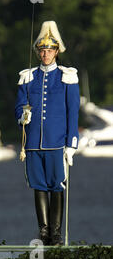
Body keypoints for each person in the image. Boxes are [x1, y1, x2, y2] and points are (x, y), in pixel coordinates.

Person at [14, 21, 80, 246]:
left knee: (56, 186)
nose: (45, 53)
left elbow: (73, 112)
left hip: (56, 142)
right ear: (38, 52)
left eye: (50, 50)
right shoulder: (28, 77)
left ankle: (56, 234)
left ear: (56, 52)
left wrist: (71, 144)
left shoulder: (67, 76)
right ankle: (43, 233)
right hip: (33, 143)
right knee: (39, 186)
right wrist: (23, 115)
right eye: (42, 50)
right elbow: (19, 105)